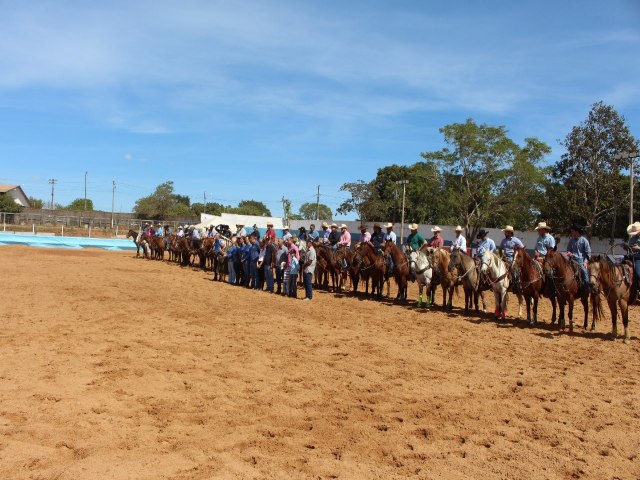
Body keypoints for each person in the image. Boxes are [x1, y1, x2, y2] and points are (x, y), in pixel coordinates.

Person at [566, 224, 591, 293]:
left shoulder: (584, 241)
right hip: (572, 260)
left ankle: (587, 288)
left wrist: (585, 261)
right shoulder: (571, 241)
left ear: (576, 231)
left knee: (584, 272)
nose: (571, 233)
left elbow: (588, 253)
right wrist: (569, 253)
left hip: (581, 261)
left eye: (572, 231)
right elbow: (568, 250)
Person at [627, 221, 640, 286]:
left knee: (638, 273)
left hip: (638, 258)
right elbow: (629, 247)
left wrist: (638, 248)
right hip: (631, 257)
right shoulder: (632, 239)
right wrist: (627, 247)